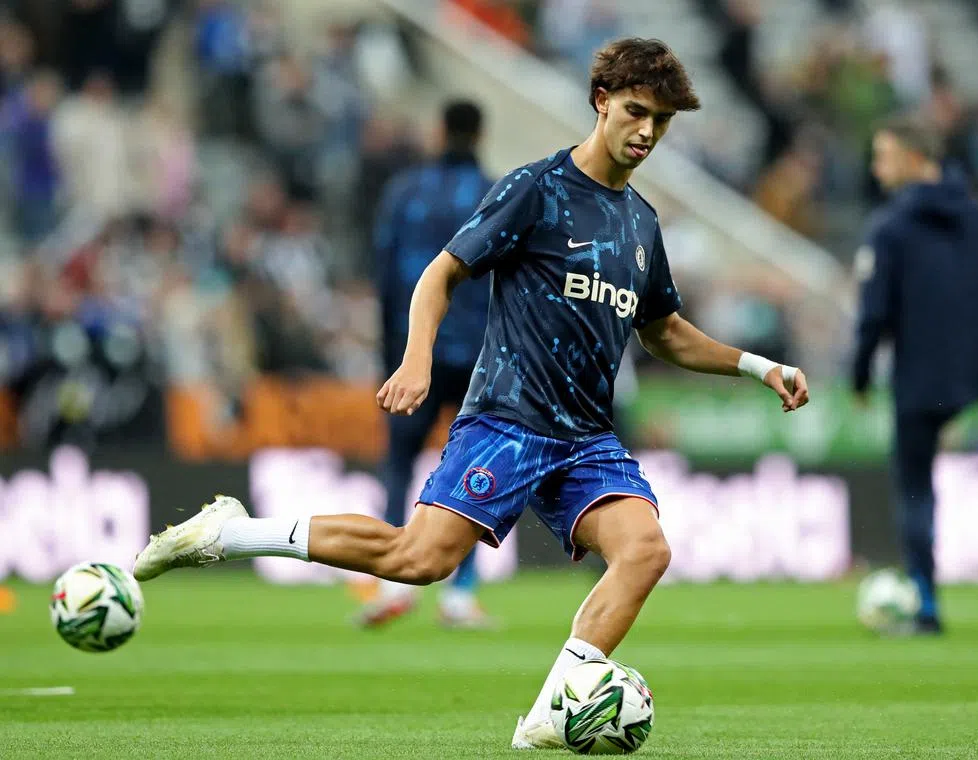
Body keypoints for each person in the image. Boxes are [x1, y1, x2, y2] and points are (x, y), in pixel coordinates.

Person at [132, 38, 809, 748]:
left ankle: (548, 718)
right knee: (417, 560)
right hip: (509, 421)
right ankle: (229, 533)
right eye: (637, 112)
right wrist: (417, 360)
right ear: (601, 101)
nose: (647, 132)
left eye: (662, 122)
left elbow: (663, 331)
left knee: (646, 551)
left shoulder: (640, 223)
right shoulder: (536, 189)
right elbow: (439, 274)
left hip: (585, 438)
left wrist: (759, 367)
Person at [853, 117, 978, 635]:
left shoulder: (891, 227)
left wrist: (861, 378)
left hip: (916, 381)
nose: (877, 166)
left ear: (916, 158)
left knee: (914, 486)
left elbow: (873, 314)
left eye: (884, 154)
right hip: (968, 379)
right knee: (931, 475)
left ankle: (927, 603)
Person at [361, 99, 495, 630]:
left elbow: (383, 273)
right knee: (474, 472)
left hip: (413, 352)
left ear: (439, 130)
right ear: (480, 133)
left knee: (398, 465)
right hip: (481, 355)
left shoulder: (405, 192)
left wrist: (388, 355)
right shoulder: (497, 193)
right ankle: (460, 596)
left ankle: (392, 581)